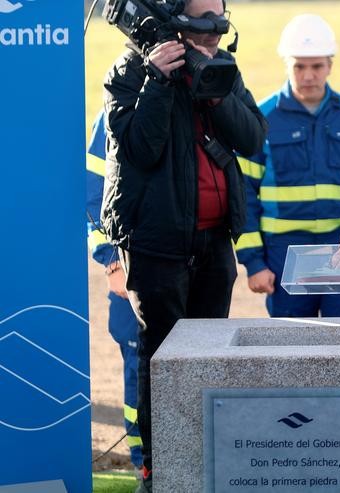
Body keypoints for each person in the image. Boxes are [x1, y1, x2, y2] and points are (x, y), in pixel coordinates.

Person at [101, 0, 267, 490]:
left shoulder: (221, 70)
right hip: (158, 246)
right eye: (203, 27)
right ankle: (159, 469)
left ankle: (206, 464)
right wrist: (159, 81)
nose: (212, 37)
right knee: (163, 358)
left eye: (219, 26)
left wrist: (215, 94)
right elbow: (139, 148)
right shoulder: (129, 71)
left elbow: (254, 137)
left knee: (210, 354)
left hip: (215, 243)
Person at [235, 14, 340, 317]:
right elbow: (243, 196)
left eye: (316, 66)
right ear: (286, 64)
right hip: (284, 254)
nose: (308, 75)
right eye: (299, 66)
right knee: (291, 350)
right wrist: (254, 263)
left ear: (330, 65)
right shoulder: (261, 119)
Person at [86, 110, 143, 475]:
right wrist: (111, 261)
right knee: (139, 371)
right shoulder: (114, 108)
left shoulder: (200, 93)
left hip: (191, 266)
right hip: (130, 267)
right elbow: (93, 195)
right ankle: (144, 465)